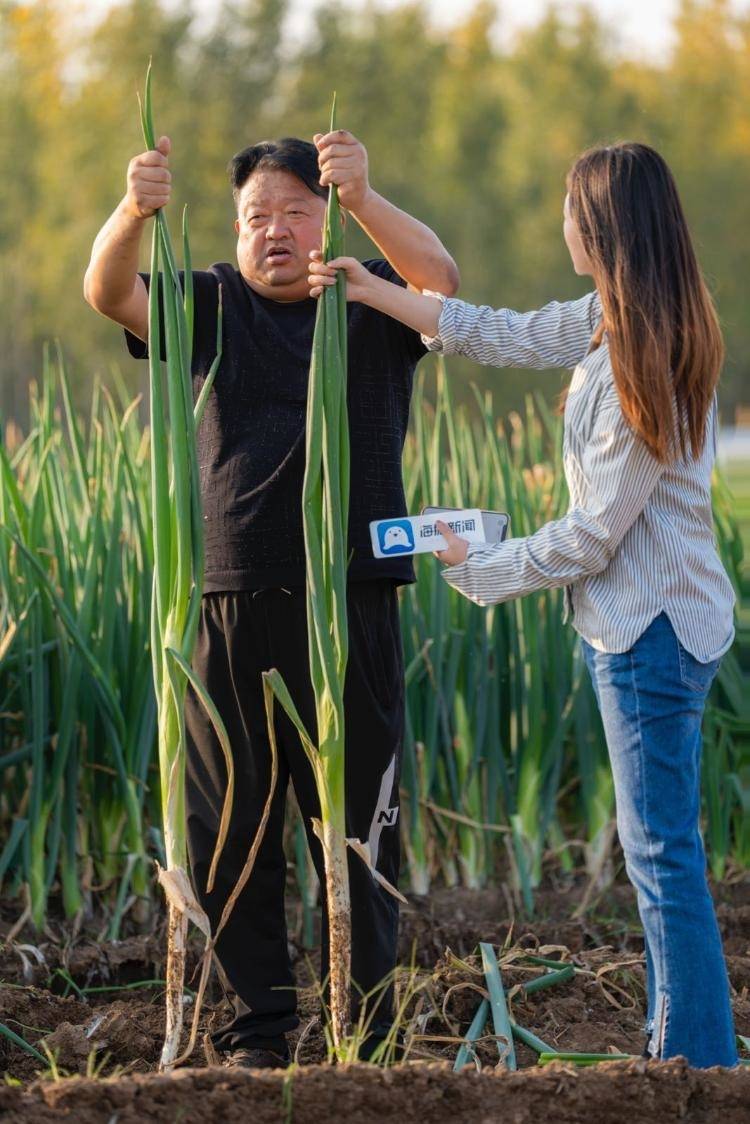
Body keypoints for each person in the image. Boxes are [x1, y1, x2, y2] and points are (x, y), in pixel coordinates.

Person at [308, 141, 738, 1069]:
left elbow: (593, 536)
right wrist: (377, 292)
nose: (562, 224)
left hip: (651, 629)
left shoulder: (645, 356)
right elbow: (499, 331)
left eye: (571, 210)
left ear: (607, 226)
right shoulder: (608, 321)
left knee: (662, 857)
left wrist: (481, 562)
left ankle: (700, 1062)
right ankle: (682, 1046)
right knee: (659, 853)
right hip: (647, 621)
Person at [84, 128, 459, 1068]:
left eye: (297, 211)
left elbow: (444, 282)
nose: (277, 231)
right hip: (231, 598)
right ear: (236, 228)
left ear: (323, 217)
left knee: (357, 816)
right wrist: (134, 210)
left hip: (352, 596)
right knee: (232, 822)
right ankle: (261, 1028)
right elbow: (107, 293)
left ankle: (362, 1028)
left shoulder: (363, 296)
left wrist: (365, 195)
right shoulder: (210, 302)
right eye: (259, 216)